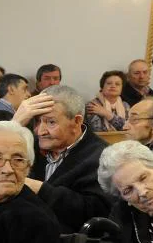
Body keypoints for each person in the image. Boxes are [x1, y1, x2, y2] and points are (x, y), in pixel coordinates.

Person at [14, 85, 113, 232]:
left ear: (77, 121)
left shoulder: (102, 157)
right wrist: (15, 124)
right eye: (37, 121)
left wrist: (41, 190)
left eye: (51, 122)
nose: (40, 131)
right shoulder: (30, 145)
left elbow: (96, 212)